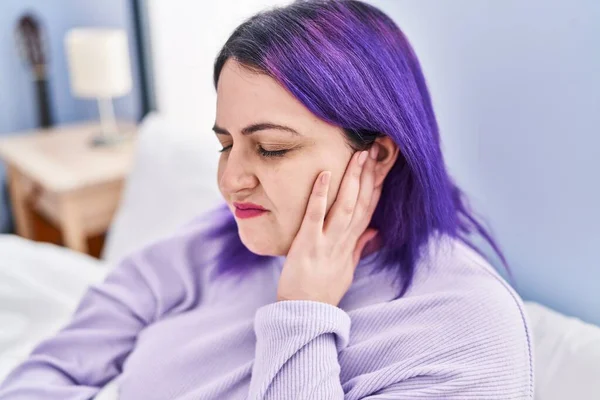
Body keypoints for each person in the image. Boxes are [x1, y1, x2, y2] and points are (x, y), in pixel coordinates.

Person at [0, 1, 533, 399]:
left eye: (271, 149)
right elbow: (47, 375)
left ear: (377, 155)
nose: (230, 181)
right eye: (225, 144)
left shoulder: (466, 330)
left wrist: (304, 310)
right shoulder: (216, 241)